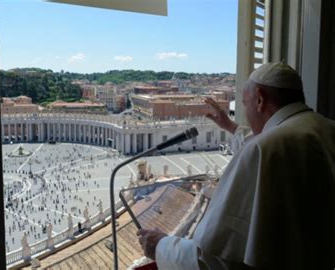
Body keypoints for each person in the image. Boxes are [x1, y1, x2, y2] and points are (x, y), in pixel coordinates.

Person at [137, 62, 335, 269]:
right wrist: (229, 126)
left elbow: (212, 257)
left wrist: (161, 247)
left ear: (259, 98)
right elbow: (272, 138)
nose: (245, 112)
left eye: (244, 103)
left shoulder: (262, 150)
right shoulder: (327, 129)